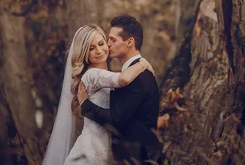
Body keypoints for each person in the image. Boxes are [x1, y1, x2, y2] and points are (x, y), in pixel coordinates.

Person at [43, 24, 153, 165]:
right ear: (84, 53)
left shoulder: (105, 75)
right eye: (91, 48)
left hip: (103, 148)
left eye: (101, 43)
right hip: (90, 150)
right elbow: (123, 79)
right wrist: (143, 63)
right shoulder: (92, 75)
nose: (99, 50)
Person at [78, 15, 163, 164]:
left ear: (130, 42)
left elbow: (117, 119)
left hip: (139, 157)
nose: (108, 44)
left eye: (113, 40)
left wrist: (85, 105)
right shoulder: (133, 72)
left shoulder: (137, 77)